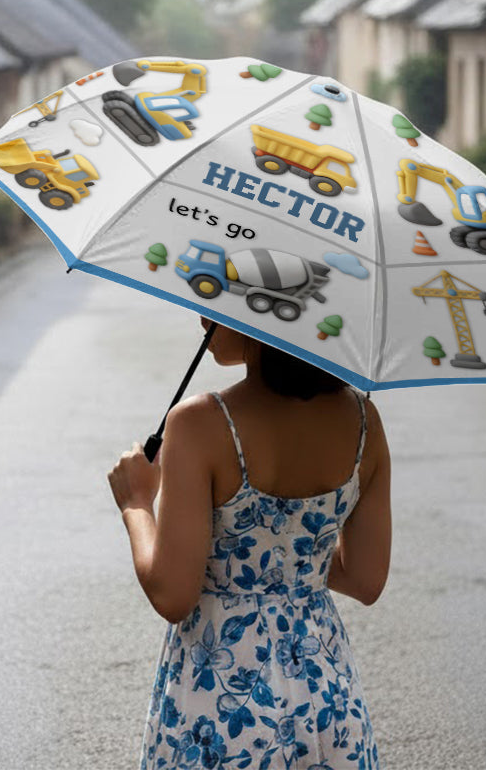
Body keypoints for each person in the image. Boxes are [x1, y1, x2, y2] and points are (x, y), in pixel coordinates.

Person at [109, 320, 391, 770]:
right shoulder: (363, 421)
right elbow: (365, 578)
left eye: (218, 297)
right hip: (327, 696)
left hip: (223, 698)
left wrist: (137, 503)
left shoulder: (199, 423)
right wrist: (291, 545)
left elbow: (172, 594)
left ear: (263, 314)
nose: (202, 317)